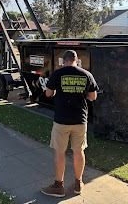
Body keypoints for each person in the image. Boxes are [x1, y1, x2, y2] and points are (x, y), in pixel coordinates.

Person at [41, 50, 99, 197]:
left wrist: (57, 92)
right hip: (80, 119)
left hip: (61, 120)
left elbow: (48, 94)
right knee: (79, 151)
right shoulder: (86, 74)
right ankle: (78, 183)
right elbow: (93, 97)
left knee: (60, 152)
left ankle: (58, 186)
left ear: (63, 60)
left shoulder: (57, 74)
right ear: (76, 60)